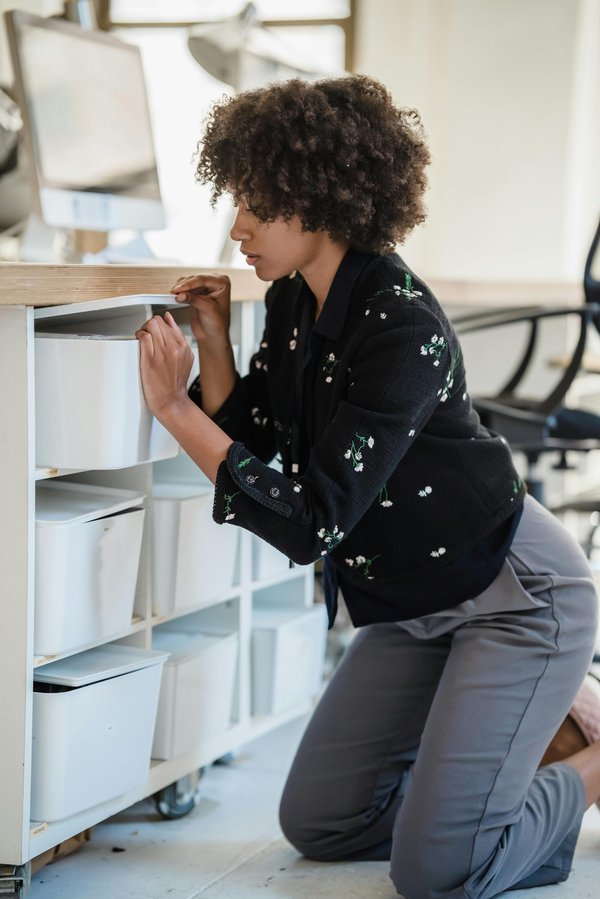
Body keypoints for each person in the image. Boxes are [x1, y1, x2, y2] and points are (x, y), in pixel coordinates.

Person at [135, 74, 600, 898]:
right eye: (237, 200)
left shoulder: (403, 325)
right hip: (415, 600)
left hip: (515, 595)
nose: (238, 226)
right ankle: (496, 771)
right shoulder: (293, 301)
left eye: (258, 204)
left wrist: (174, 408)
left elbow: (308, 521)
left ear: (324, 200)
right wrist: (213, 342)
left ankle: (585, 768)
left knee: (437, 873)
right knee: (323, 822)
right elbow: (260, 444)